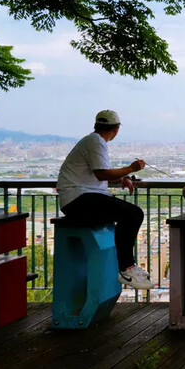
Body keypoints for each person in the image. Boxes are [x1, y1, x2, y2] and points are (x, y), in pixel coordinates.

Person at [57, 110, 151, 289]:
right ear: (116, 129)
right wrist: (130, 169)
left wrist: (120, 177)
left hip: (76, 199)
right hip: (79, 200)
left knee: (128, 214)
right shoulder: (96, 142)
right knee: (133, 214)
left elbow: (98, 173)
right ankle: (126, 268)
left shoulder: (92, 140)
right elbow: (101, 174)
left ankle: (125, 265)